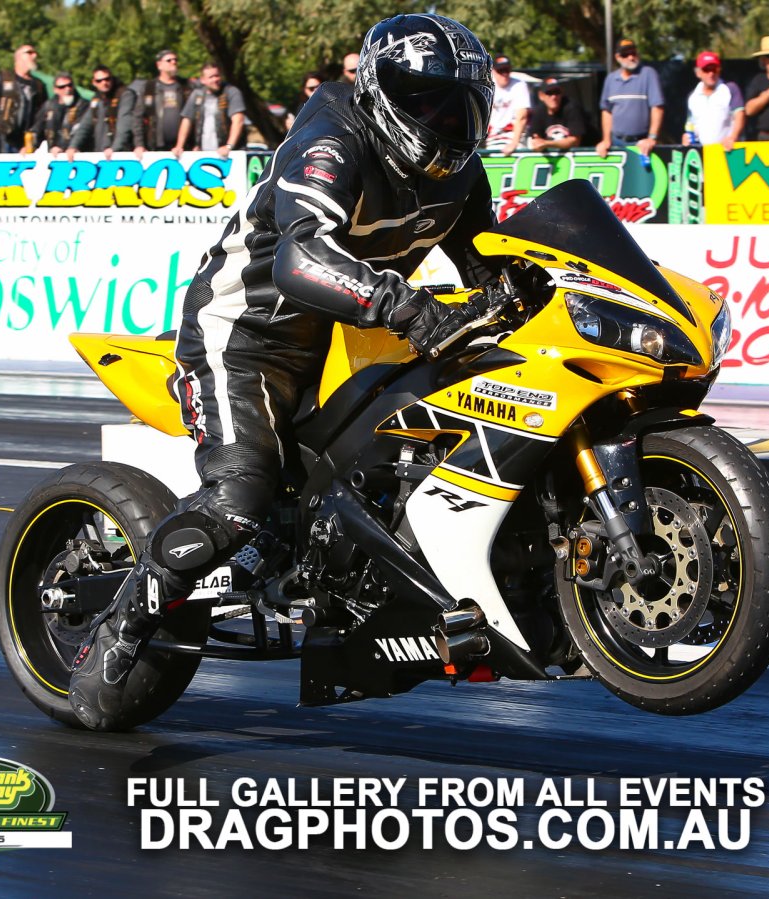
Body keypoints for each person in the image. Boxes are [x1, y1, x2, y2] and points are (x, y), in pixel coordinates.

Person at [68, 13, 502, 731]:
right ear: (377, 90)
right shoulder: (331, 142)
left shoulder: (456, 173)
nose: (446, 118)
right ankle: (121, 626)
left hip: (348, 334)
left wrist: (521, 278)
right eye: (425, 100)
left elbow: (485, 254)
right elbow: (298, 259)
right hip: (245, 336)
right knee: (238, 498)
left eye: (461, 104)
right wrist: (405, 305)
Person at [595, 39, 664, 158]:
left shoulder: (648, 74)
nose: (631, 57)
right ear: (618, 57)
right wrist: (606, 140)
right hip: (616, 143)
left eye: (634, 53)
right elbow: (606, 111)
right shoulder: (611, 79)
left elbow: (657, 107)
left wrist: (652, 138)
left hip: (641, 144)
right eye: (625, 54)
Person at [0, 44, 47, 154]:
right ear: (18, 57)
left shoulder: (38, 85)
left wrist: (33, 141)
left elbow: (41, 116)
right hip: (4, 138)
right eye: (29, 52)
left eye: (35, 53)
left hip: (26, 140)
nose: (34, 56)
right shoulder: (2, 78)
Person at [175, 63, 246, 157]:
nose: (215, 79)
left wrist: (229, 146)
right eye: (211, 77)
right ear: (203, 80)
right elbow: (187, 120)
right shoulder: (197, 94)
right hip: (202, 153)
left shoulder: (231, 92)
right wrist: (179, 146)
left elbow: (238, 121)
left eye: (217, 75)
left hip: (228, 154)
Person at [132, 50, 191, 154]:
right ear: (159, 65)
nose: (174, 62)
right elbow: (138, 117)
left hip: (183, 147)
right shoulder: (148, 87)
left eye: (175, 60)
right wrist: (139, 144)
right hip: (155, 146)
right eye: (169, 60)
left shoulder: (186, 86)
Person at [684, 50, 745, 150]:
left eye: (714, 69)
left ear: (719, 70)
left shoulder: (729, 88)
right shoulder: (692, 96)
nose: (711, 73)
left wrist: (733, 137)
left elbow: (739, 115)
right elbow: (690, 123)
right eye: (706, 70)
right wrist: (686, 137)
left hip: (727, 151)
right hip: (702, 153)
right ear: (698, 73)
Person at [70, 66, 137, 155]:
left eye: (107, 79)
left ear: (112, 79)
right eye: (99, 81)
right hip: (101, 151)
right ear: (94, 82)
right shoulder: (96, 99)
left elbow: (124, 124)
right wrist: (73, 146)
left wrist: (115, 148)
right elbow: (85, 125)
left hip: (121, 153)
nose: (104, 83)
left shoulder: (125, 94)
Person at [28, 73, 86, 154]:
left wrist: (64, 147)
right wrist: (28, 146)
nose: (67, 89)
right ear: (55, 89)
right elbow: (37, 129)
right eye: (62, 87)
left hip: (76, 155)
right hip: (53, 156)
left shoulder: (83, 105)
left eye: (70, 85)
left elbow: (81, 131)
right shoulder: (48, 106)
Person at [485, 54, 530, 154]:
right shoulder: (488, 86)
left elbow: (522, 117)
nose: (504, 74)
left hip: (514, 135)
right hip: (494, 136)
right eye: (501, 71)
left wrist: (514, 143)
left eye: (507, 70)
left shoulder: (519, 85)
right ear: (493, 71)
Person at [528, 78, 585, 150]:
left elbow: (575, 141)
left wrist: (546, 143)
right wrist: (538, 144)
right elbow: (535, 139)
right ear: (541, 96)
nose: (554, 97)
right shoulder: (538, 112)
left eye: (557, 92)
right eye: (549, 93)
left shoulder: (572, 107)